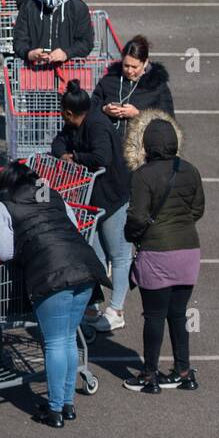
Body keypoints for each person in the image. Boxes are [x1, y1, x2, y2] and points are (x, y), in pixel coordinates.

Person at [0, 162, 109, 427]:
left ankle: (54, 410)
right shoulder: (50, 192)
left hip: (51, 273)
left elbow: (4, 252)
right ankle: (67, 404)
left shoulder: (4, 204)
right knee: (67, 339)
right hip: (85, 268)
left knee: (55, 341)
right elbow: (73, 224)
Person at [123, 111, 205, 393]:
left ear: (147, 144)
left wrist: (133, 235)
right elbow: (198, 209)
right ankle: (184, 370)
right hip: (188, 252)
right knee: (178, 315)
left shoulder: (143, 175)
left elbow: (136, 217)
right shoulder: (190, 170)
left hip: (157, 252)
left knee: (154, 316)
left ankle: (149, 376)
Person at [54, 79, 133, 333]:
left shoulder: (98, 125)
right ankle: (93, 304)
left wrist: (74, 157)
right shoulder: (73, 126)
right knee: (95, 252)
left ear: (68, 113)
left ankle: (117, 309)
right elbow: (57, 143)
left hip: (111, 197)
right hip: (91, 199)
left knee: (118, 254)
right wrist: (63, 154)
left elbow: (103, 158)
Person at [93, 35, 175, 143]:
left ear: (145, 63)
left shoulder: (157, 86)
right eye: (126, 65)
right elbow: (91, 106)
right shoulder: (109, 80)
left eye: (134, 67)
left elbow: (167, 120)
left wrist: (138, 114)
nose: (129, 71)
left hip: (142, 149)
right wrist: (104, 109)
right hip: (110, 147)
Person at [13, 0, 94, 65]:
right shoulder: (28, 7)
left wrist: (66, 54)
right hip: (36, 71)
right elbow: (19, 40)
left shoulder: (78, 8)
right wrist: (29, 54)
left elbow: (86, 42)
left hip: (69, 68)